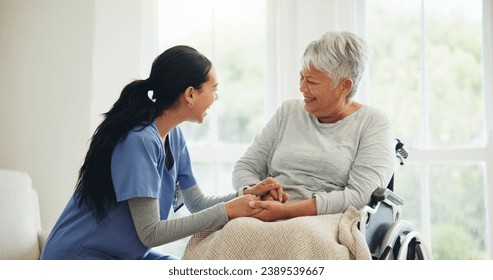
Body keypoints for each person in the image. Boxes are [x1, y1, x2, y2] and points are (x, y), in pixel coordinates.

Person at [40, 45, 283, 260]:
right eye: (214, 89)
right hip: (80, 256)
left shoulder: (174, 136)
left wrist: (245, 194)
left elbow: (197, 203)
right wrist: (229, 211)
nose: (216, 97)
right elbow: (150, 233)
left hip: (124, 256)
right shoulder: (139, 141)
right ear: (190, 94)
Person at [233, 31, 395, 222]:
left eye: (311, 81)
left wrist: (287, 211)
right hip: (266, 213)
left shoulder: (372, 122)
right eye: (301, 77)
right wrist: (254, 192)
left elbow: (358, 196)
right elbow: (245, 167)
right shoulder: (288, 111)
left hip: (327, 221)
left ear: (345, 86)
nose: (302, 88)